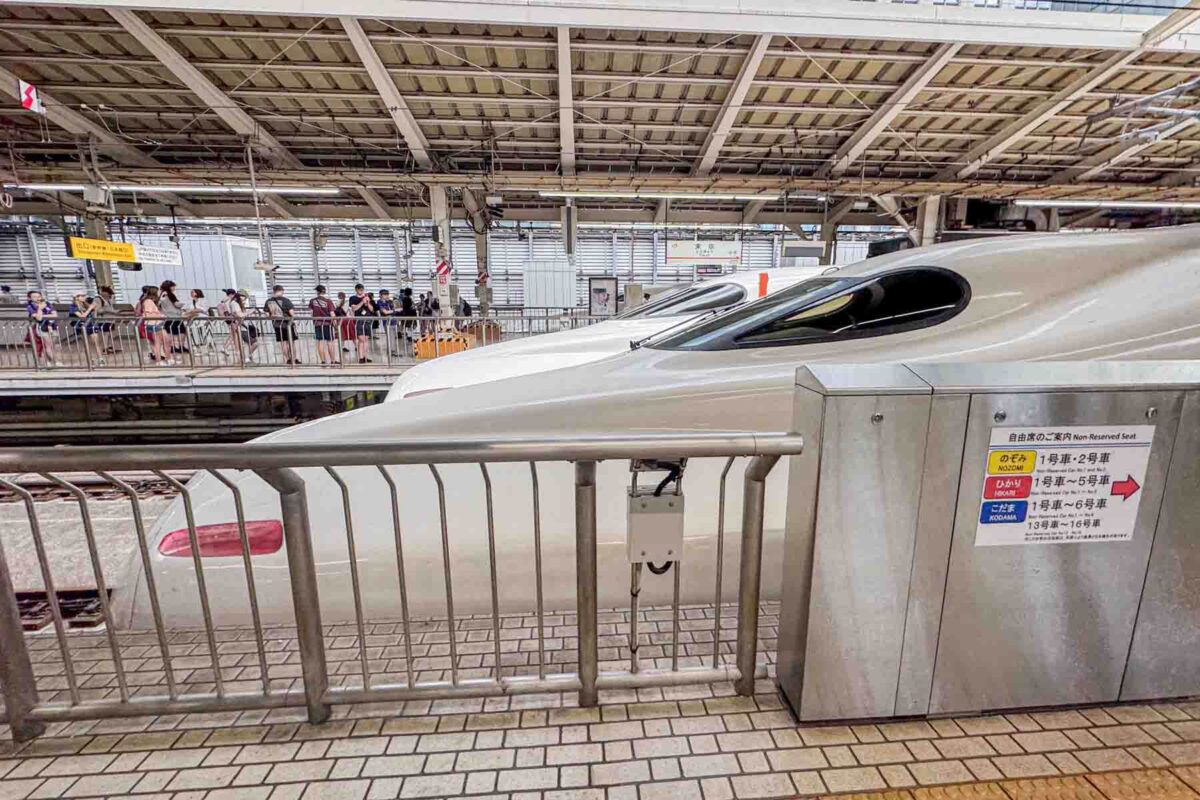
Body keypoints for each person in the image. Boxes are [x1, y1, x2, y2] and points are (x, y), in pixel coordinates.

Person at [136, 285, 173, 365]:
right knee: (160, 342)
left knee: (164, 341)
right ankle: (161, 360)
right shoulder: (148, 302)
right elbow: (148, 313)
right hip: (154, 324)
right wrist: (160, 316)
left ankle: (166, 359)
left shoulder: (149, 301)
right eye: (158, 291)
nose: (160, 292)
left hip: (155, 324)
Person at [264, 284, 299, 365]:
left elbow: (266, 314)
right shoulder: (286, 300)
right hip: (288, 324)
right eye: (282, 290)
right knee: (291, 342)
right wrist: (295, 320)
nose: (283, 292)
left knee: (283, 343)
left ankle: (287, 359)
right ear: (280, 291)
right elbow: (291, 312)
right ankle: (293, 359)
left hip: (277, 325)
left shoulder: (268, 301)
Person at [68, 292, 104, 365]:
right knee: (87, 344)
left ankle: (100, 359)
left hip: (91, 324)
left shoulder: (85, 304)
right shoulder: (73, 306)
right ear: (77, 297)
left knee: (96, 342)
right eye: (82, 296)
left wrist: (92, 307)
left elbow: (94, 309)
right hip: (81, 326)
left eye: (84, 295)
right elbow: (82, 316)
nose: (84, 297)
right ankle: (91, 360)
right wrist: (89, 309)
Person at [26, 290, 60, 367]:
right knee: (48, 345)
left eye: (38, 296)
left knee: (51, 346)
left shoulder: (48, 304)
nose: (37, 298)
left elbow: (55, 315)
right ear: (30, 298)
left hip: (52, 326)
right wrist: (40, 309)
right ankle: (56, 361)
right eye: (34, 297)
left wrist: (42, 315)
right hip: (42, 327)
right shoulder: (30, 306)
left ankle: (46, 362)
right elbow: (38, 318)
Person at [308, 284, 336, 366]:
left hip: (317, 324)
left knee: (320, 342)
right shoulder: (328, 301)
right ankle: (333, 360)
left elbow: (311, 313)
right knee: (329, 342)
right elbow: (332, 313)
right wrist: (335, 323)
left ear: (317, 292)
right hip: (327, 324)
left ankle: (323, 361)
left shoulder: (312, 301)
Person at [348, 283, 374, 363]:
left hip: (367, 320)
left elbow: (372, 309)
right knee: (361, 340)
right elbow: (355, 308)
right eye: (359, 290)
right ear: (356, 290)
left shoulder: (367, 297)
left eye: (362, 290)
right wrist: (362, 301)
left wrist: (368, 302)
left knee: (366, 340)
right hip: (359, 320)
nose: (361, 291)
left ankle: (365, 356)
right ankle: (361, 357)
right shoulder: (353, 298)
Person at [159, 280, 187, 355]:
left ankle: (172, 347)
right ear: (169, 287)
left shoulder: (162, 295)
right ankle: (181, 347)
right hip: (175, 316)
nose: (174, 288)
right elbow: (176, 304)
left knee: (169, 332)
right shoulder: (170, 294)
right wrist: (184, 304)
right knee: (181, 332)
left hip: (167, 316)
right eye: (173, 286)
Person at [231, 289, 258, 363]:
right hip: (241, 327)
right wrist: (249, 312)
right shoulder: (235, 303)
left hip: (243, 326)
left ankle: (246, 358)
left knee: (246, 344)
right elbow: (239, 315)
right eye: (244, 297)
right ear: (240, 296)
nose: (244, 300)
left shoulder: (237, 304)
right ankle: (246, 357)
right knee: (255, 343)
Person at [92, 286, 119, 354]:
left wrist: (112, 300)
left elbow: (111, 307)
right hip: (103, 320)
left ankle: (109, 347)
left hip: (110, 319)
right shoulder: (98, 299)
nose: (109, 295)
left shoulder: (108, 300)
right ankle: (105, 348)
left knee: (109, 334)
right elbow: (97, 310)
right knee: (106, 334)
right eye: (109, 293)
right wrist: (108, 310)